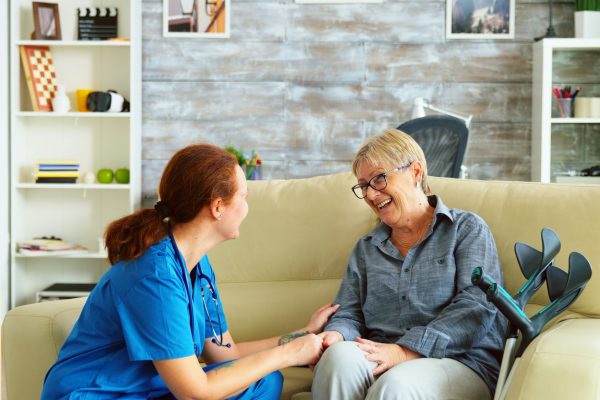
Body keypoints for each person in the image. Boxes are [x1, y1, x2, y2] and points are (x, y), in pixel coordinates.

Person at [41, 144, 339, 400]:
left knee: (263, 381)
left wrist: (302, 335)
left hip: (145, 391)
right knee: (260, 377)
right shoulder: (155, 275)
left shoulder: (197, 264)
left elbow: (226, 355)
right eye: (244, 196)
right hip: (95, 394)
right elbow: (194, 392)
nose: (247, 208)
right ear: (218, 206)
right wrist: (288, 355)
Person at [311, 129, 506, 400]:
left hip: (459, 362)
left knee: (395, 386)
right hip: (381, 353)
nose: (370, 194)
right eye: (363, 185)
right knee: (338, 359)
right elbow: (349, 313)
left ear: (416, 172)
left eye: (378, 179)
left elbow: (476, 308)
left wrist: (405, 351)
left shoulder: (466, 229)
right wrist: (334, 335)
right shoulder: (366, 248)